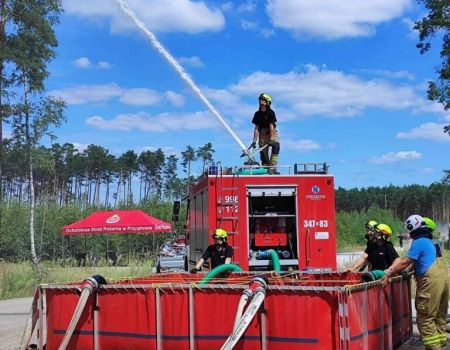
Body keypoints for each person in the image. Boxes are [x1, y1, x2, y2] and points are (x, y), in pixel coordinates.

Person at [381, 214, 449, 350]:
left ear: (412, 227)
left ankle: (434, 348)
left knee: (425, 318)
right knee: (439, 316)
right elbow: (422, 261)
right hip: (444, 279)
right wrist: (411, 270)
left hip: (431, 282)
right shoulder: (432, 241)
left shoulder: (419, 241)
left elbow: (405, 261)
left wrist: (388, 272)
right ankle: (441, 345)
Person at [250, 93, 280, 172]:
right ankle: (266, 166)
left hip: (271, 131)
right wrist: (254, 141)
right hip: (262, 134)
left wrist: (272, 138)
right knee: (263, 152)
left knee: (276, 145)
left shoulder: (271, 113)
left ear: (267, 102)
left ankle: (272, 166)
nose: (261, 101)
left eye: (263, 100)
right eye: (260, 100)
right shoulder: (257, 114)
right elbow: (256, 128)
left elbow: (271, 126)